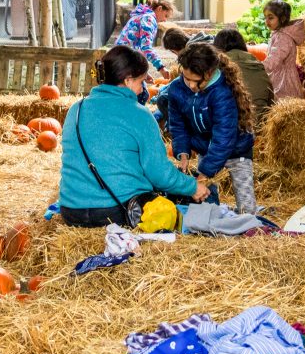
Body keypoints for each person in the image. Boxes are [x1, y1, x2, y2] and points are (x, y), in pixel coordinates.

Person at [59, 46, 208, 227]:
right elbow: (158, 174)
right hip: (116, 210)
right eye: (141, 82)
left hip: (71, 211)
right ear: (128, 81)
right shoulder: (139, 114)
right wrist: (192, 187)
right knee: (179, 200)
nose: (141, 89)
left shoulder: (76, 109)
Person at [166, 43, 257, 214]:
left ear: (209, 73)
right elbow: (178, 125)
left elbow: (223, 137)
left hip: (236, 150)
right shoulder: (177, 89)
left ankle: (247, 223)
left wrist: (205, 173)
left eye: (196, 81)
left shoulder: (221, 93)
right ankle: (214, 224)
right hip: (206, 149)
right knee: (205, 201)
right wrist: (183, 153)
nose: (191, 86)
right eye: (186, 78)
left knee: (247, 208)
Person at [213, 28, 275, 126]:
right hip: (260, 126)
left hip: (233, 129)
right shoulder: (258, 64)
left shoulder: (220, 66)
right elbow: (271, 102)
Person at [115, 0, 175, 80]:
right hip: (125, 60)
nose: (165, 20)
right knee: (140, 91)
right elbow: (146, 47)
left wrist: (144, 73)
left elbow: (137, 47)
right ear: (159, 9)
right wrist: (161, 68)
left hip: (121, 58)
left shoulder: (142, 16)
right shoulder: (149, 19)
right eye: (166, 15)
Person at [263, 0, 305, 99]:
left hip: (284, 82)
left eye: (271, 18)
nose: (267, 21)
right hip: (278, 78)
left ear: (282, 19)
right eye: (265, 17)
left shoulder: (283, 38)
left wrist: (258, 67)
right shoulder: (278, 34)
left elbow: (274, 59)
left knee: (284, 106)